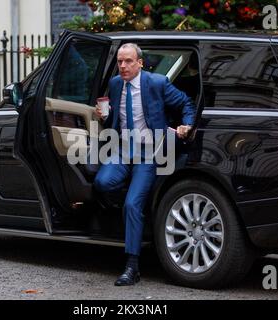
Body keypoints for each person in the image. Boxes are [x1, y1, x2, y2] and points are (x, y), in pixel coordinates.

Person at [94, 43, 196, 286]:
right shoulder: (116, 84)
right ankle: (135, 215)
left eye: (128, 61)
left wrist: (186, 125)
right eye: (120, 61)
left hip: (149, 154)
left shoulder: (157, 83)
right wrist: (105, 117)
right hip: (121, 151)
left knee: (131, 204)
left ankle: (132, 267)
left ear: (140, 63)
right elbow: (114, 120)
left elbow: (186, 103)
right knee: (101, 183)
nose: (123, 66)